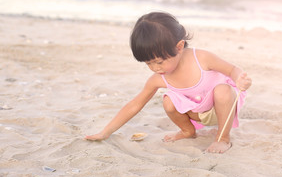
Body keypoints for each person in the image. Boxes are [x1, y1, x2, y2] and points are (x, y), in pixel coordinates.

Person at [85, 12, 252, 153]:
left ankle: (223, 138)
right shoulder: (159, 78)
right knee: (168, 100)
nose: (155, 68)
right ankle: (188, 130)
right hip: (196, 112)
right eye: (148, 63)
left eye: (159, 61)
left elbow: (232, 69)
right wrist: (105, 132)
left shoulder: (201, 58)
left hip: (222, 108)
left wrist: (239, 79)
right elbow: (135, 104)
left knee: (222, 89)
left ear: (179, 47)